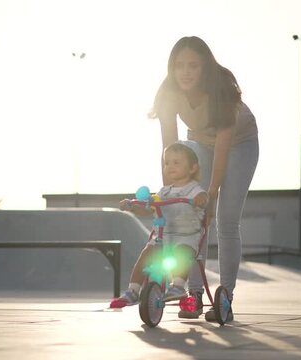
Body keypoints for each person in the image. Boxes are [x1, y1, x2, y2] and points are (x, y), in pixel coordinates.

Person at [149, 36, 259, 322]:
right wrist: (170, 195)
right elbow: (170, 151)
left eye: (193, 66)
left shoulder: (222, 90)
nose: (185, 72)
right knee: (192, 215)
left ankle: (226, 299)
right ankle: (194, 296)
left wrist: (209, 195)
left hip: (239, 144)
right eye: (179, 65)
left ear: (205, 68)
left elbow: (223, 149)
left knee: (224, 218)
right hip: (199, 142)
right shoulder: (168, 94)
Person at [111, 143, 208, 308]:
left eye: (176, 162)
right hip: (163, 237)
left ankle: (177, 286)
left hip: (187, 237)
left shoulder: (194, 190)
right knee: (146, 255)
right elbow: (148, 208)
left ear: (192, 168)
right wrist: (132, 205)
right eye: (167, 162)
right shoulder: (164, 192)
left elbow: (203, 198)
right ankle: (133, 290)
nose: (170, 166)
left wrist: (200, 199)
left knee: (181, 253)